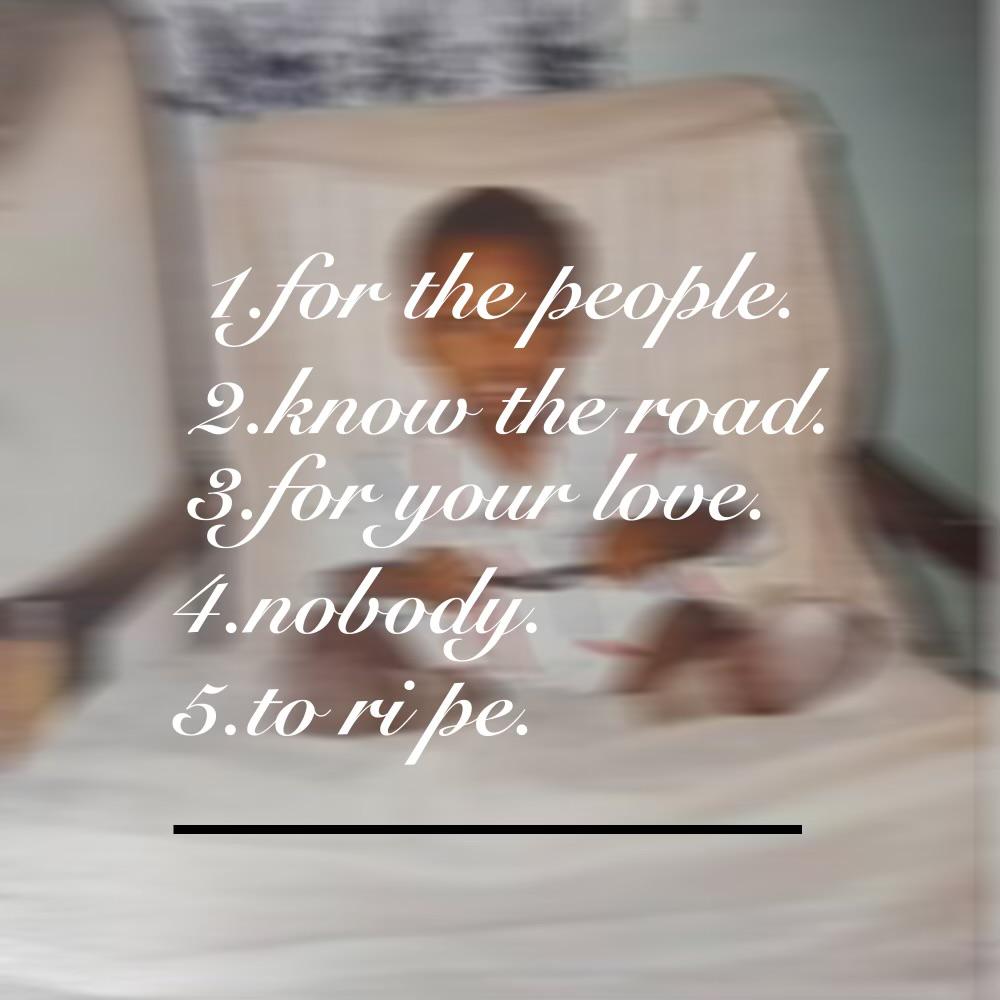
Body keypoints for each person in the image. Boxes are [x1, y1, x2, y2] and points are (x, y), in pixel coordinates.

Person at [292, 186, 870, 722]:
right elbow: (344, 572)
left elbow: (732, 515)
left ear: (571, 326)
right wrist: (410, 577)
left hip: (630, 652)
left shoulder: (628, 437)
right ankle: (394, 701)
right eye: (460, 323)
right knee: (335, 631)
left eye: (522, 319)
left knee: (695, 620)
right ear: (419, 336)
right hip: (455, 661)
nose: (495, 348)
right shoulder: (391, 466)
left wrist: (667, 531)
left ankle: (721, 681)